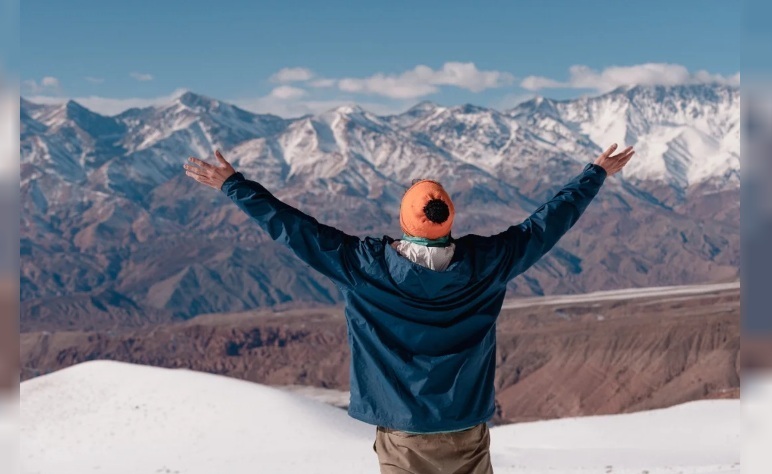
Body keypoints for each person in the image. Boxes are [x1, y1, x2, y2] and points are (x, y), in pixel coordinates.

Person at [183, 143, 635, 474]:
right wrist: (594, 173)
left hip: (402, 434)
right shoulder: (488, 263)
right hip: (466, 428)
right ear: (449, 220)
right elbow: (546, 224)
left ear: (404, 220)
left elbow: (294, 229)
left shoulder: (364, 267)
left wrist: (234, 185)